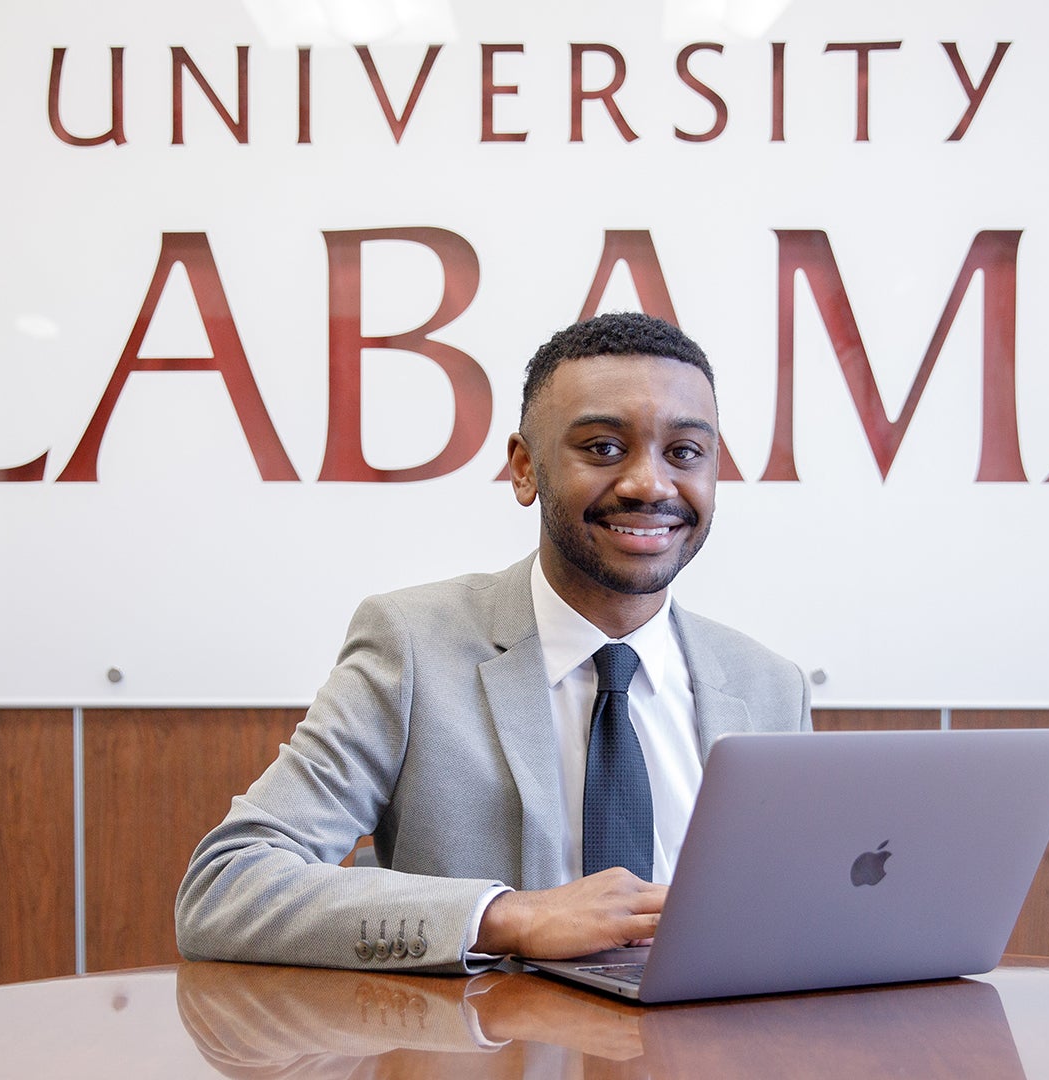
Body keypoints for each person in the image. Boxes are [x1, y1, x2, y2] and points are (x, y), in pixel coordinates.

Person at [176, 312, 811, 973]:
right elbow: (226, 887)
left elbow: (803, 916)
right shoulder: (413, 647)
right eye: (602, 448)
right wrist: (508, 917)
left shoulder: (771, 689)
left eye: (685, 453)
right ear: (524, 469)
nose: (649, 484)